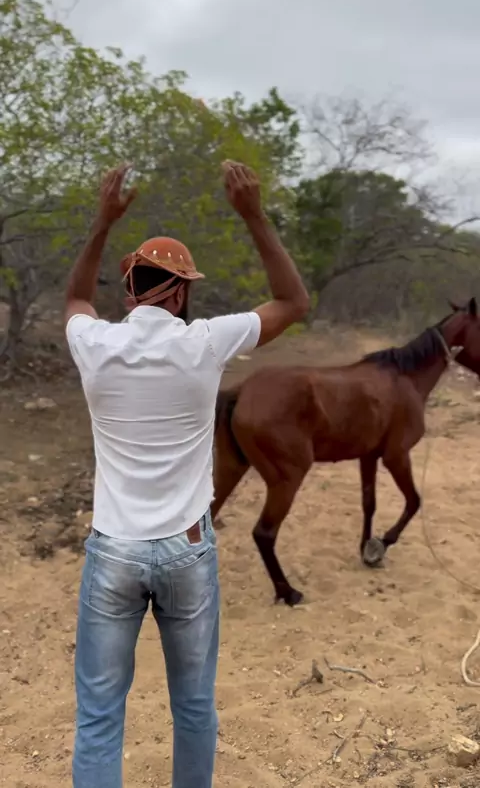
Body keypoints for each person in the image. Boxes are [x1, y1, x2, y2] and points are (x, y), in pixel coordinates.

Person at [65, 159, 309, 788]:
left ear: (131, 292)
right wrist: (254, 215)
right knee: (194, 707)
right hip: (187, 548)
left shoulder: (94, 343)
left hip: (115, 548)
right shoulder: (206, 341)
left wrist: (103, 222)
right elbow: (293, 301)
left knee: (99, 717)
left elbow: (75, 299)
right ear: (179, 293)